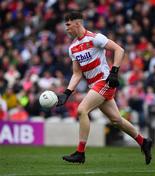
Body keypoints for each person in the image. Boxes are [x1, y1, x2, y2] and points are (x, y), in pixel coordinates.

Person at [56, 11, 152, 165]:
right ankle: (143, 141)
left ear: (77, 23)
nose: (66, 28)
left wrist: (114, 72)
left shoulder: (95, 38)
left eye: (68, 25)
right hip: (95, 86)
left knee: (82, 110)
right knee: (116, 120)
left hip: (105, 82)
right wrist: (67, 93)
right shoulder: (72, 48)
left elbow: (119, 50)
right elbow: (76, 73)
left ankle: (80, 153)